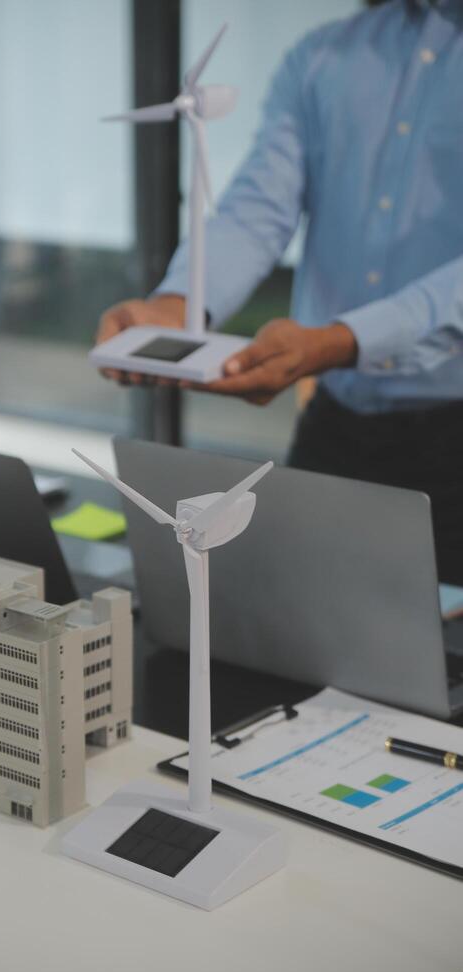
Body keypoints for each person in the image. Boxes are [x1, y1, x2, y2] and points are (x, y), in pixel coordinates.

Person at [96, 0, 463, 585]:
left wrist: (343, 340)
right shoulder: (322, 57)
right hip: (335, 425)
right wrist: (178, 304)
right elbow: (257, 209)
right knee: (297, 640)